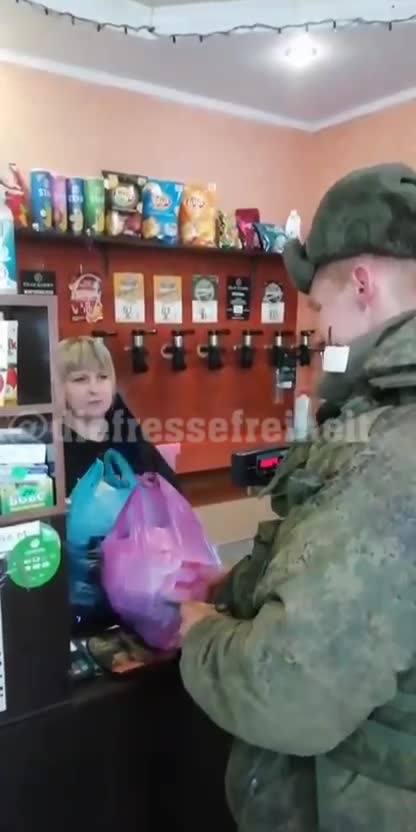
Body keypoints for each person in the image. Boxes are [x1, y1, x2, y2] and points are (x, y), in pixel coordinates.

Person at [178, 163, 416, 832]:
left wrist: (199, 634)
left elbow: (288, 693)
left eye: (318, 306)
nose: (317, 332)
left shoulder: (386, 451)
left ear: (362, 285)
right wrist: (240, 582)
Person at [56, 336, 179, 494]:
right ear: (58, 387)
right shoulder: (53, 448)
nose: (94, 389)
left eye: (103, 377)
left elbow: (172, 491)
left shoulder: (127, 431)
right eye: (80, 379)